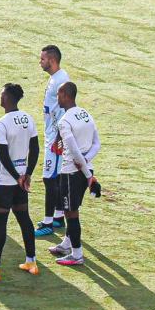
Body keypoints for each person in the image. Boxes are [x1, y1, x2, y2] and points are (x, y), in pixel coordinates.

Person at [0, 84, 41, 282]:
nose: (0, 97)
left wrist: (16, 176)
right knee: (24, 218)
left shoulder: (0, 124)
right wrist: (27, 174)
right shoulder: (28, 118)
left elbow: (3, 156)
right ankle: (31, 261)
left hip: (3, 181)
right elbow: (35, 148)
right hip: (21, 180)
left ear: (7, 98)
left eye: (2, 94)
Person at [50, 82, 101, 266]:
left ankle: (77, 254)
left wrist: (87, 175)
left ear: (65, 94)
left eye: (58, 94)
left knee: (71, 213)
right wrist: (87, 163)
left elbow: (73, 151)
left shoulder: (65, 121)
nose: (57, 98)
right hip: (84, 168)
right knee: (70, 209)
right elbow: (97, 144)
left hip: (72, 173)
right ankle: (67, 243)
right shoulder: (85, 113)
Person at [35, 45, 70, 236]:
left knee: (49, 179)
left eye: (43, 59)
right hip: (51, 134)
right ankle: (57, 216)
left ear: (52, 60)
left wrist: (59, 137)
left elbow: (65, 109)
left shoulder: (61, 80)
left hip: (55, 138)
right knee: (54, 177)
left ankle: (48, 222)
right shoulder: (55, 78)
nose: (40, 62)